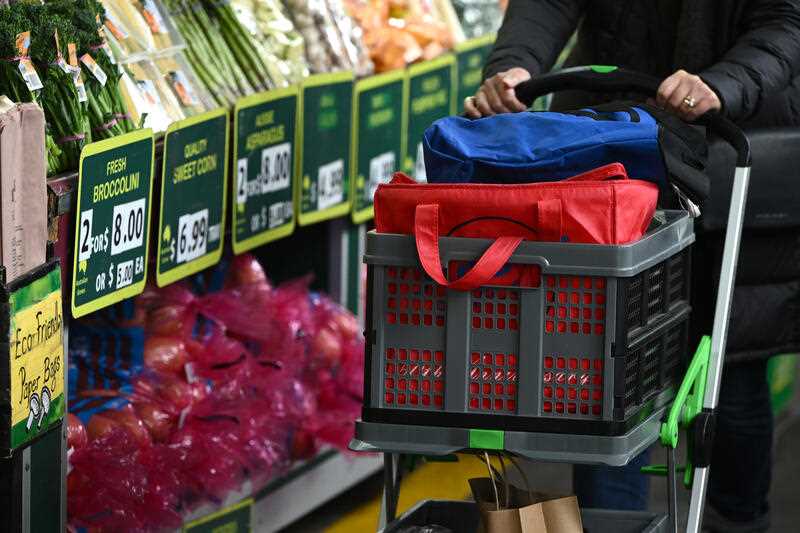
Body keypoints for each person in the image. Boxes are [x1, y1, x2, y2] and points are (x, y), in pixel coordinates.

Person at [466, 2, 800, 532]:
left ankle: (736, 521)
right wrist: (516, 65)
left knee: (729, 367)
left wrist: (722, 83)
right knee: (604, 366)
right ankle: (611, 524)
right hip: (607, 135)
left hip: (731, 143)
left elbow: (786, 19)